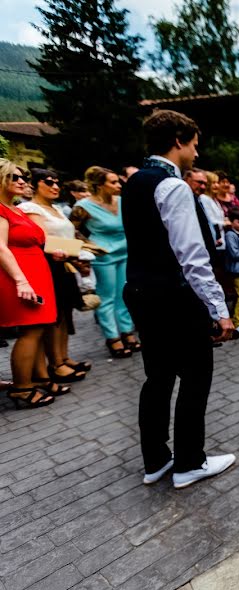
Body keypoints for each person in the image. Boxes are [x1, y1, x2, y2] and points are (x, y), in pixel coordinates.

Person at [122, 109, 236, 489]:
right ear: (178, 141)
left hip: (140, 291)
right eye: (194, 145)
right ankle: (190, 461)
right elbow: (193, 256)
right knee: (195, 376)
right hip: (173, 296)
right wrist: (220, 311)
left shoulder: (135, 183)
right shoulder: (172, 187)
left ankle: (155, 459)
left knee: (157, 376)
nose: (196, 154)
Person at [19, 169, 90, 383]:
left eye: (57, 182)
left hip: (64, 263)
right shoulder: (30, 208)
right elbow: (43, 239)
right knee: (54, 316)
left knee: (65, 313)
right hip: (49, 264)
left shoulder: (56, 208)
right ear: (34, 184)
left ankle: (64, 357)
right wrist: (79, 249)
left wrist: (80, 253)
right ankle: (56, 363)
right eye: (49, 182)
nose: (55, 186)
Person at [0, 159, 59, 408]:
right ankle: (22, 388)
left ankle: (36, 379)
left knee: (39, 328)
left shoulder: (15, 209)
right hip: (20, 278)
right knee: (30, 330)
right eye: (14, 177)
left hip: (36, 274)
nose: (22, 181)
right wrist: (21, 281)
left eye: (22, 176)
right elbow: (0, 248)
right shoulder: (1, 210)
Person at [71, 166, 139, 358]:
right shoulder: (83, 206)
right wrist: (89, 245)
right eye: (113, 182)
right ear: (100, 186)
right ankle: (112, 337)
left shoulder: (121, 201)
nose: (119, 185)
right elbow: (72, 230)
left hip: (125, 253)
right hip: (104, 256)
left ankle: (127, 332)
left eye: (118, 181)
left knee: (123, 295)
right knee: (107, 297)